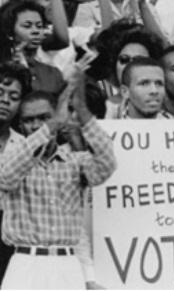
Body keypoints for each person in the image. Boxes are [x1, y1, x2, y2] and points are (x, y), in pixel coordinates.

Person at [0, 66, 116, 289]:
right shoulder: (13, 156)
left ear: (61, 117)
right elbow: (5, 177)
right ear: (21, 124)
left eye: (44, 118)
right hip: (25, 263)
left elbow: (107, 162)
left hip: (68, 264)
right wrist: (51, 125)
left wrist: (82, 112)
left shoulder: (74, 161)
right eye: (29, 120)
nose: (36, 125)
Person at [0, 62, 31, 286]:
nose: (5, 100)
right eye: (0, 92)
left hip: (9, 240)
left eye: (14, 96)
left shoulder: (24, 146)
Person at [0, 0, 65, 95]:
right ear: (9, 31)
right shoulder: (2, 68)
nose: (36, 31)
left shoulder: (53, 73)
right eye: (27, 26)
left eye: (39, 26)